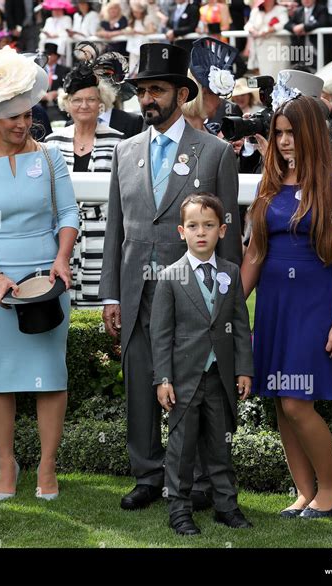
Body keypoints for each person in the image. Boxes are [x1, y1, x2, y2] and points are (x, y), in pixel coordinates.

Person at [98, 42, 242, 512]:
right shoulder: (125, 151)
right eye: (141, 90)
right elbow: (117, 228)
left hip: (195, 296)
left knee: (197, 386)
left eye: (157, 89)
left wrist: (228, 300)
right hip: (138, 290)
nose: (147, 99)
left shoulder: (217, 152)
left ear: (182, 93)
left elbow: (229, 237)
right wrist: (110, 296)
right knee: (141, 381)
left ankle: (200, 481)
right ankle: (147, 474)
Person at [240, 93, 332, 519]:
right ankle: (304, 492)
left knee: (298, 401)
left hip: (315, 307)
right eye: (279, 133)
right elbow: (254, 257)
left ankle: (331, 491)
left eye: (292, 133)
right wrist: (226, 309)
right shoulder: (268, 186)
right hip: (274, 306)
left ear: (312, 135)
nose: (284, 141)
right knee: (281, 400)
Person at [0, 46, 79, 500]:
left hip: (50, 283)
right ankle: (7, 464)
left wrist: (61, 260)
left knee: (51, 375)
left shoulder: (49, 159)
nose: (23, 123)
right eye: (13, 117)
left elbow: (68, 215)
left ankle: (48, 467)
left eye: (27, 114)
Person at [150, 194, 254, 535]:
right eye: (193, 226)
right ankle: (179, 511)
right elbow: (161, 335)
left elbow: (240, 326)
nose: (201, 232)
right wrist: (163, 378)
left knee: (220, 447)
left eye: (209, 226)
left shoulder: (231, 273)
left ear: (222, 231)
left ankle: (226, 506)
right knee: (181, 450)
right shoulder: (169, 277)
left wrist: (243, 370)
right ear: (182, 231)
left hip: (219, 378)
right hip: (183, 379)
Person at [45, 61, 124, 308]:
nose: (84, 105)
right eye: (77, 100)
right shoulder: (52, 142)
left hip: (103, 237)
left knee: (100, 308)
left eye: (91, 99)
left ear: (102, 103)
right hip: (60, 237)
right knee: (60, 305)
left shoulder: (120, 142)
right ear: (66, 104)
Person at [244, 0, 290, 80]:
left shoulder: (281, 9)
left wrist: (268, 30)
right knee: (265, 74)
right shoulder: (256, 11)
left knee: (279, 75)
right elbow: (248, 24)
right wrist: (253, 30)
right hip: (262, 49)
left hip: (278, 49)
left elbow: (284, 23)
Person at [284, 0, 329, 72]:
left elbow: (322, 22)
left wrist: (304, 27)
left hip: (317, 51)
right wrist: (294, 28)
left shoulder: (322, 9)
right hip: (303, 53)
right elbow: (287, 25)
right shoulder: (298, 11)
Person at [40, 42, 70, 122]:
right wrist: (41, 95)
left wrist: (57, 93)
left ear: (56, 56)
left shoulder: (65, 70)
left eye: (51, 54)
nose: (48, 56)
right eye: (47, 54)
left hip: (59, 108)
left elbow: (67, 87)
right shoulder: (38, 70)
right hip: (41, 106)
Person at [125, 1, 156, 78]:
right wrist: (129, 31)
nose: (136, 14)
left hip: (145, 49)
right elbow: (126, 30)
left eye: (137, 12)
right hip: (134, 49)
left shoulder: (147, 19)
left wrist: (138, 32)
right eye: (134, 12)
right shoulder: (132, 21)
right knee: (133, 69)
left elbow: (152, 31)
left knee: (143, 69)